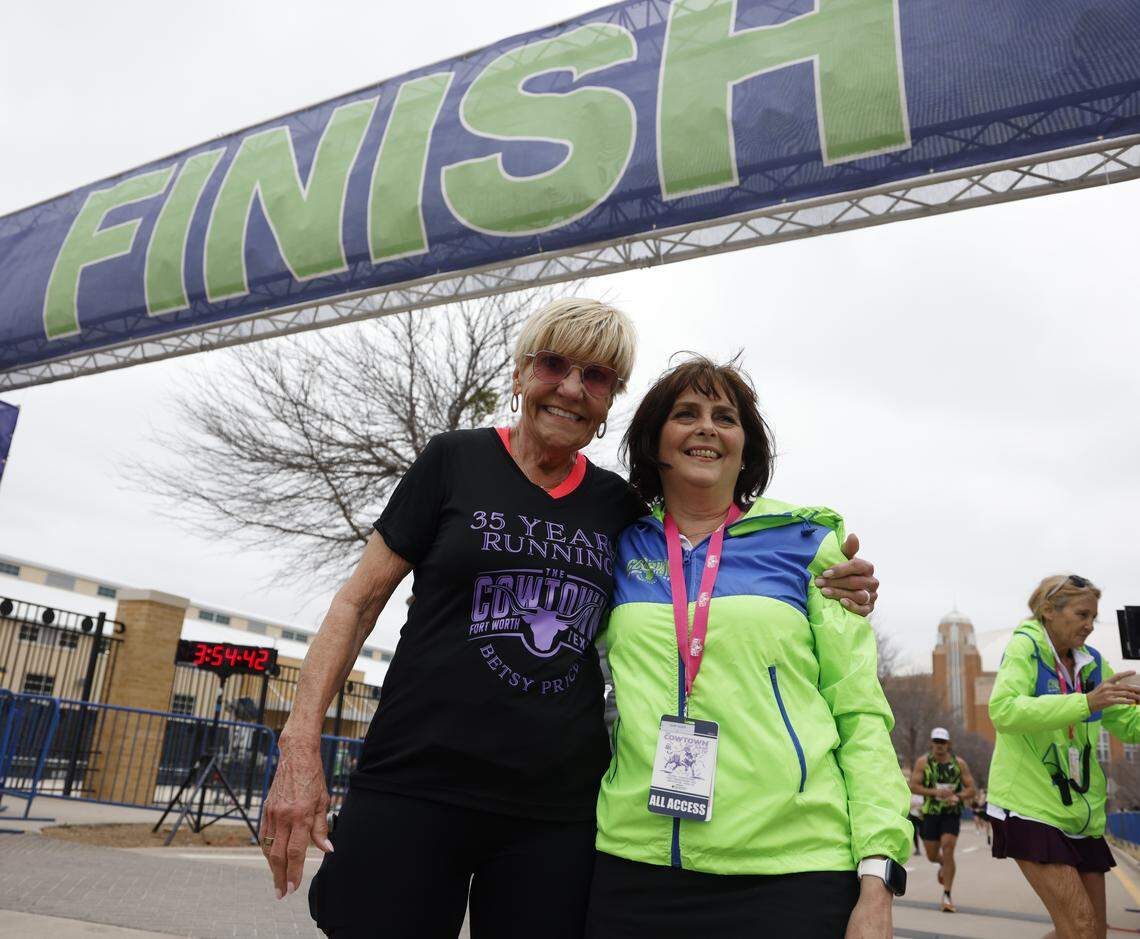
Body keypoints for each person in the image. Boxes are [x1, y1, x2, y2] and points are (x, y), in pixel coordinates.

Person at [257, 300, 880, 939]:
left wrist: (831, 580)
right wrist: (299, 745)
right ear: (523, 373)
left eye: (598, 377)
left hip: (552, 814)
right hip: (415, 782)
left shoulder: (618, 510)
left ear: (611, 402)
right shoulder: (452, 461)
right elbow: (357, 604)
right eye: (554, 365)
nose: (572, 389)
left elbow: (705, 554)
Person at [585, 356, 910, 939]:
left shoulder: (807, 545)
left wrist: (877, 874)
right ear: (655, 439)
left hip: (790, 870)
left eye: (725, 417)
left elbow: (860, 713)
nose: (706, 427)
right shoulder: (615, 545)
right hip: (634, 863)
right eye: (686, 414)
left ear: (746, 446)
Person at [987, 574, 1140, 939]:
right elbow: (1004, 711)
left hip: (1079, 815)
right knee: (1081, 927)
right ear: (1048, 611)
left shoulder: (1093, 664)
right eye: (1082, 614)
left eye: (1094, 618)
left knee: (1091, 933)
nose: (1089, 625)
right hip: (1030, 807)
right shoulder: (1026, 648)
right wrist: (1085, 702)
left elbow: (1127, 726)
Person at [909, 727, 976, 912]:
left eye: (943, 742)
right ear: (931, 743)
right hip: (930, 813)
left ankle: (947, 894)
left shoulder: (959, 764)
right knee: (931, 855)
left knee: (948, 847)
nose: (939, 746)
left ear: (949, 744)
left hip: (951, 813)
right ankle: (941, 864)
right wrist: (935, 792)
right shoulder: (923, 762)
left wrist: (959, 797)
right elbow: (914, 786)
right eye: (936, 742)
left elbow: (972, 789)